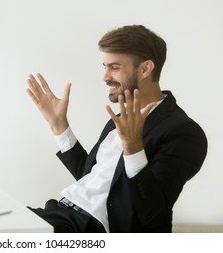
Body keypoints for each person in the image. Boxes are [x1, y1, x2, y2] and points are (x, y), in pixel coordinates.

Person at [26, 25, 208, 233]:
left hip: (89, 228)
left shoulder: (184, 132)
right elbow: (92, 177)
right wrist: (59, 126)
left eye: (114, 67)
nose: (105, 77)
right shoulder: (120, 118)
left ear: (145, 69)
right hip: (60, 211)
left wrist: (133, 147)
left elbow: (154, 215)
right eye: (105, 67)